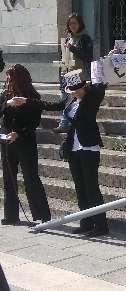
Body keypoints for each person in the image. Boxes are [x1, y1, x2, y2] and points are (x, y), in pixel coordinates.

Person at [12, 70, 109, 236]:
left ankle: (100, 225)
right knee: (80, 187)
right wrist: (26, 101)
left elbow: (100, 87)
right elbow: (50, 106)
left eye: (77, 89)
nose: (75, 92)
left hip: (89, 148)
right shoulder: (71, 100)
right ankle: (85, 222)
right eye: (72, 90)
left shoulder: (91, 99)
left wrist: (88, 84)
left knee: (91, 187)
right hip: (73, 148)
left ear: (84, 87)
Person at [0, 64, 51, 225]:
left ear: (19, 79)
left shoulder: (32, 97)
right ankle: (11, 215)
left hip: (25, 142)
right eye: (7, 79)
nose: (7, 82)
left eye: (10, 78)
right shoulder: (4, 96)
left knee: (31, 178)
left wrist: (19, 134)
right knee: (9, 178)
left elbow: (33, 123)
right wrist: (6, 104)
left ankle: (42, 215)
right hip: (7, 141)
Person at [54, 14, 93, 133]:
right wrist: (60, 73)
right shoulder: (67, 39)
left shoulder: (85, 38)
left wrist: (72, 48)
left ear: (80, 24)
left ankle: (64, 124)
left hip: (77, 74)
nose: (72, 26)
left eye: (75, 23)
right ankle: (67, 123)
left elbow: (88, 57)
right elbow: (64, 59)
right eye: (70, 24)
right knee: (65, 98)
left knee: (72, 100)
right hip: (66, 74)